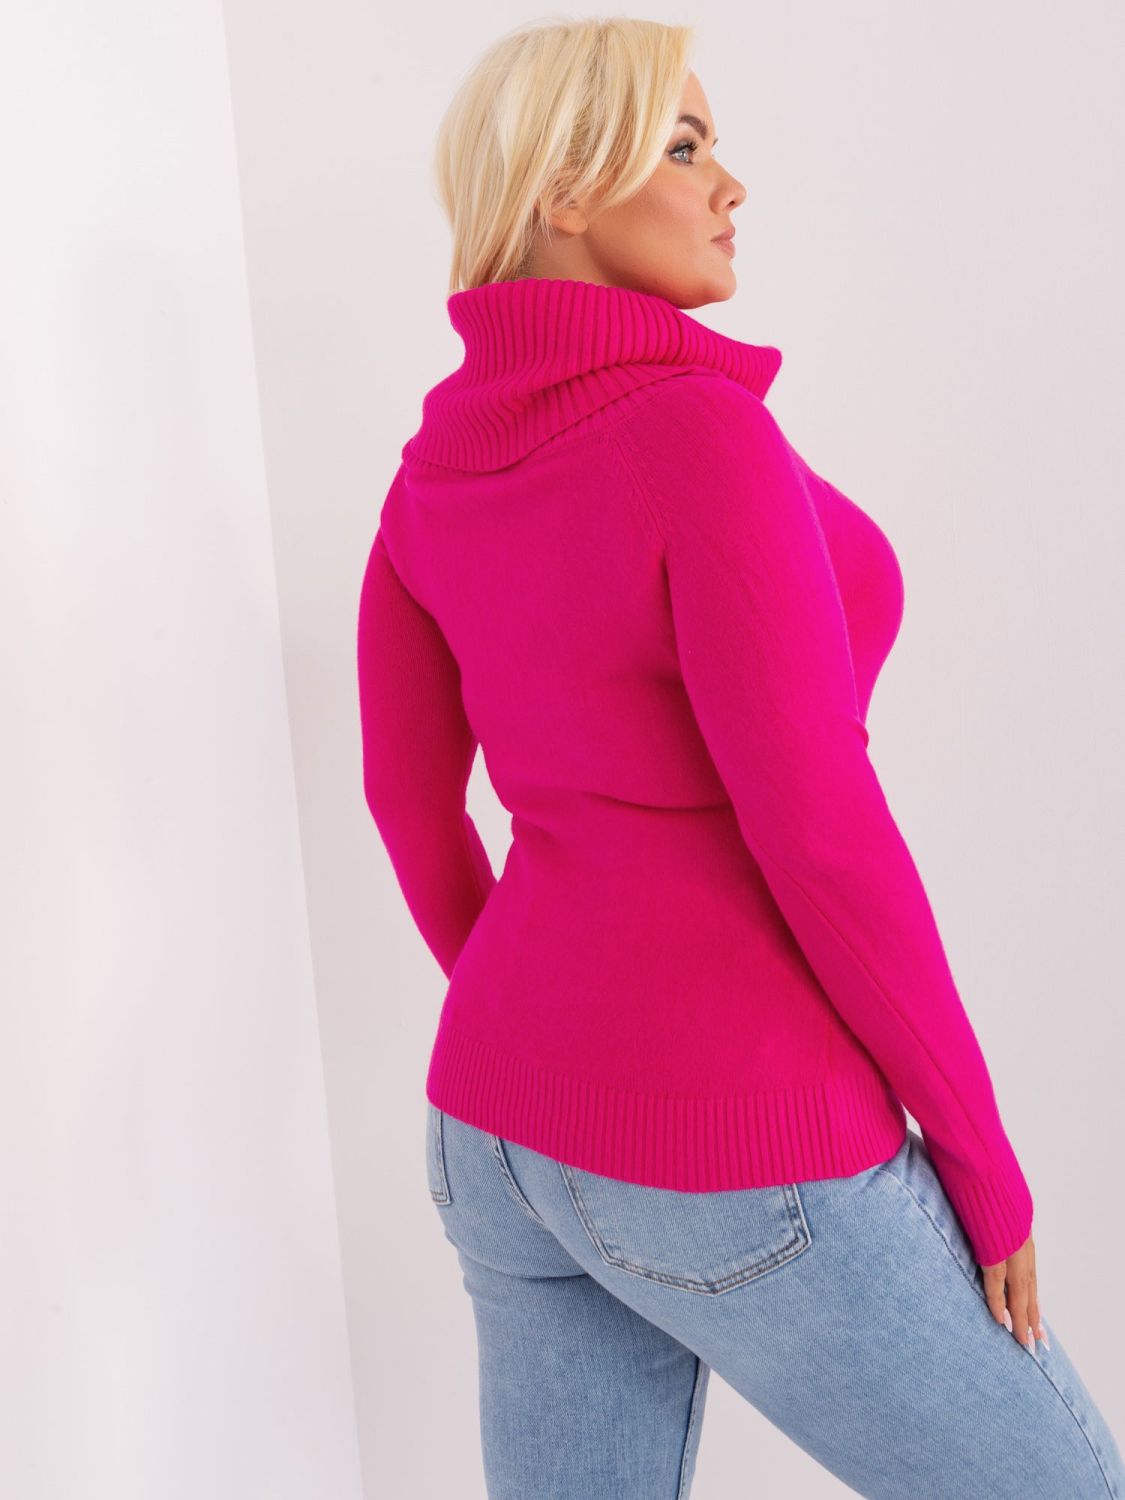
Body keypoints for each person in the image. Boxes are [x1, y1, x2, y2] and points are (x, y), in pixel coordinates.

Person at [356, 17, 1124, 1498]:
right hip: (736, 1136)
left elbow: (406, 802)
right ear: (564, 188)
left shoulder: (430, 468)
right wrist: (982, 1162)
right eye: (686, 146)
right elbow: (818, 825)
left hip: (497, 1130)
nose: (731, 186)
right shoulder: (693, 433)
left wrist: (545, 1035)